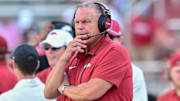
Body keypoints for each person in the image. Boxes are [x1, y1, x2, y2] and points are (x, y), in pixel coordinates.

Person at [45, 1, 133, 101]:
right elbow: (49, 93)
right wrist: (64, 57)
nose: (80, 27)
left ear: (103, 24)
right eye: (77, 22)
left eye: (86, 22)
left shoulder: (115, 52)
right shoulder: (73, 52)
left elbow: (87, 94)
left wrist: (63, 88)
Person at [108, 19, 148, 101]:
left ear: (120, 39)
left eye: (110, 38)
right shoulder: (84, 65)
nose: (106, 42)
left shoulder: (135, 72)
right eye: (102, 38)